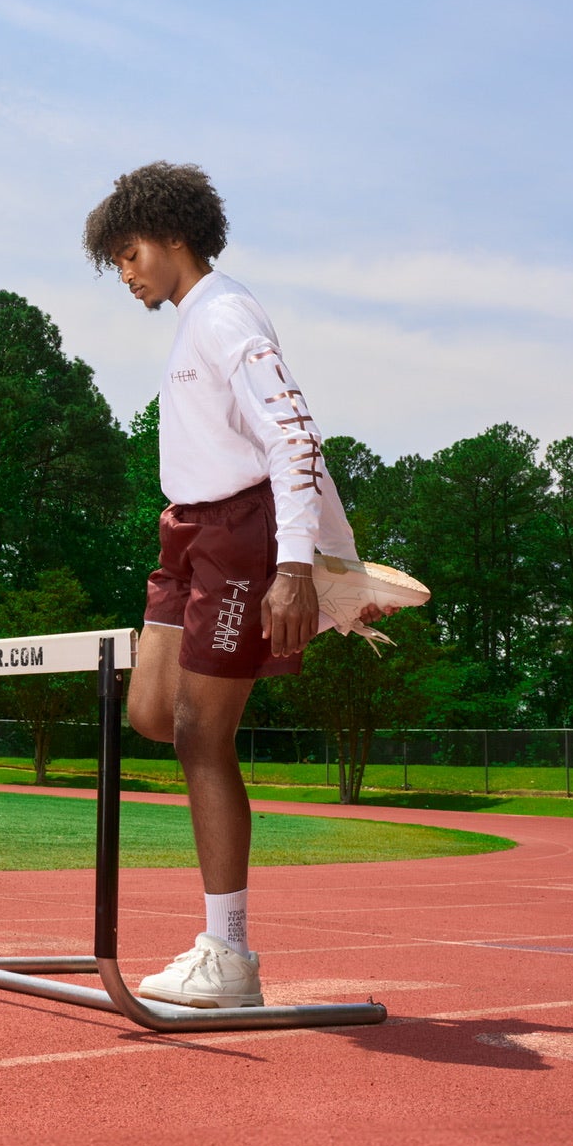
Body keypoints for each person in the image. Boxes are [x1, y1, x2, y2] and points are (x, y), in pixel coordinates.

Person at [86, 162, 399, 1008]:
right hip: (187, 531)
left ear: (173, 236)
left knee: (198, 734)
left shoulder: (227, 314)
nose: (124, 272)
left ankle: (230, 956)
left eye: (128, 253)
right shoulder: (192, 323)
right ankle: (225, 953)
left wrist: (294, 567)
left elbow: (294, 437)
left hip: (241, 533)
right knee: (152, 711)